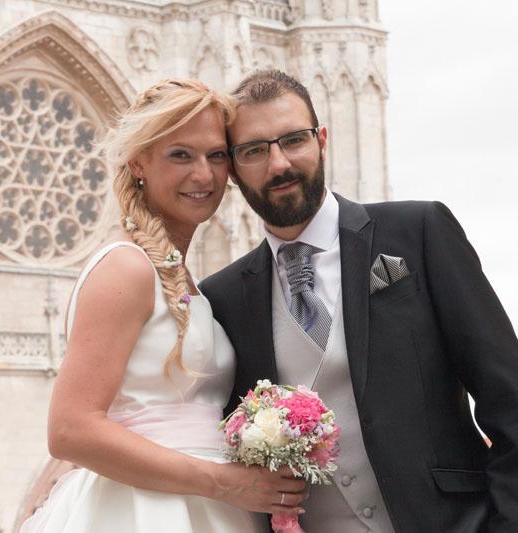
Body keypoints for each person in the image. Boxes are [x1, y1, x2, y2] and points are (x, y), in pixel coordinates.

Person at [200, 69, 518, 532]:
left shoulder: (419, 232)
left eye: (293, 140)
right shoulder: (222, 297)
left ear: (322, 140)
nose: (279, 164)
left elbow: (508, 397)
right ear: (232, 169)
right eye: (253, 150)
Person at [21, 79, 307, 532]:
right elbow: (69, 430)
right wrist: (224, 483)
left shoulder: (179, 274)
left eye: (216, 155)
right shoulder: (125, 267)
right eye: (180, 155)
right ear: (138, 162)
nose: (204, 175)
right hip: (146, 511)